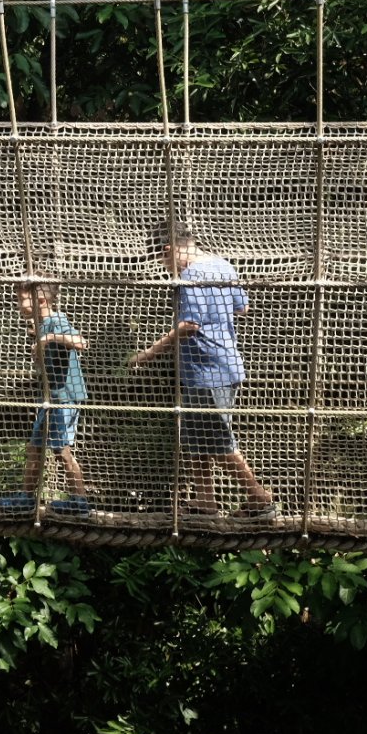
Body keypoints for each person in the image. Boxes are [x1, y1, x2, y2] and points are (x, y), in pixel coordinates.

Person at [131, 220, 273, 516]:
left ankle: (260, 498)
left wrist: (148, 353)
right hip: (216, 365)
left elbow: (189, 325)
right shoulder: (222, 265)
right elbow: (241, 307)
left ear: (169, 249)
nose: (166, 267)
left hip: (209, 369)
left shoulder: (191, 275)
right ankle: (205, 499)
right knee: (196, 437)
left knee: (219, 441)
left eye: (163, 260)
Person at [0, 282, 91, 516]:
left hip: (64, 396)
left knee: (61, 449)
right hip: (51, 397)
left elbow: (81, 343)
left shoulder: (56, 321)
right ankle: (27, 497)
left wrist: (47, 337)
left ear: (40, 301)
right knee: (35, 447)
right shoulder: (41, 325)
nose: (19, 305)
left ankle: (80, 502)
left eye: (22, 299)